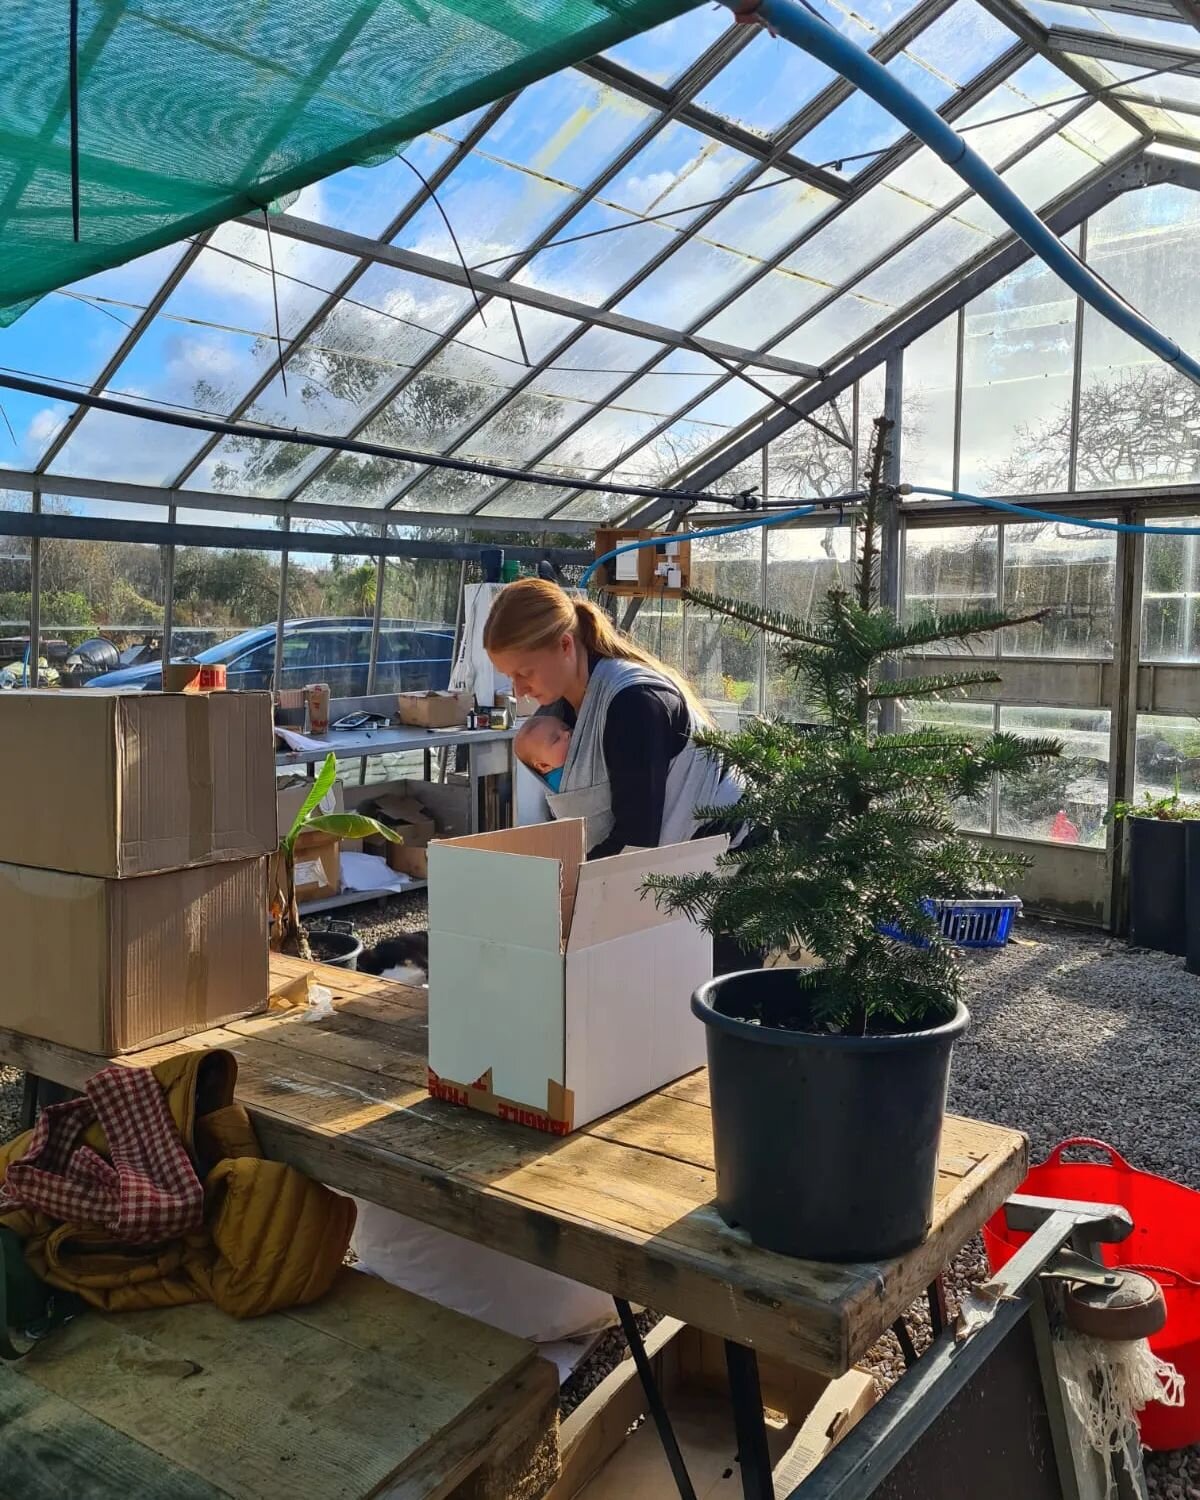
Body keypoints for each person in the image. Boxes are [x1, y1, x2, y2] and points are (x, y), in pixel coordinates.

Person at [484, 578, 758, 973]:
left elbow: (636, 840)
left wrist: (558, 903)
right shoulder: (564, 710)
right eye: (509, 677)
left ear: (564, 645)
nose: (520, 690)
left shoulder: (633, 705)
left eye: (524, 673)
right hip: (672, 870)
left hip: (730, 872)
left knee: (707, 1009)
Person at [513, 714, 570, 792]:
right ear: (544, 765)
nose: (567, 733)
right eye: (556, 739)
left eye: (566, 728)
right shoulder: (559, 781)